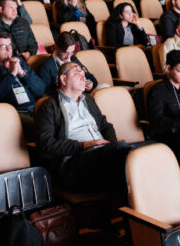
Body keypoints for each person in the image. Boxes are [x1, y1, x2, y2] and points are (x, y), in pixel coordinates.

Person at [34, 61, 131, 193]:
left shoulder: (89, 100)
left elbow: (106, 126)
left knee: (143, 152)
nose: (83, 76)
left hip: (102, 155)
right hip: (73, 163)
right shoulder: (49, 106)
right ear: (63, 79)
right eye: (77, 72)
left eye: (83, 73)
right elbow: (45, 144)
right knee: (125, 154)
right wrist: (83, 145)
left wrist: (110, 145)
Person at [0, 31, 45, 117]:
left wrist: (22, 73)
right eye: (3, 46)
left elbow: (41, 89)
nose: (9, 49)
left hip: (34, 108)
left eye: (10, 45)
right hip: (13, 114)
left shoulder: (19, 61)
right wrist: (12, 74)